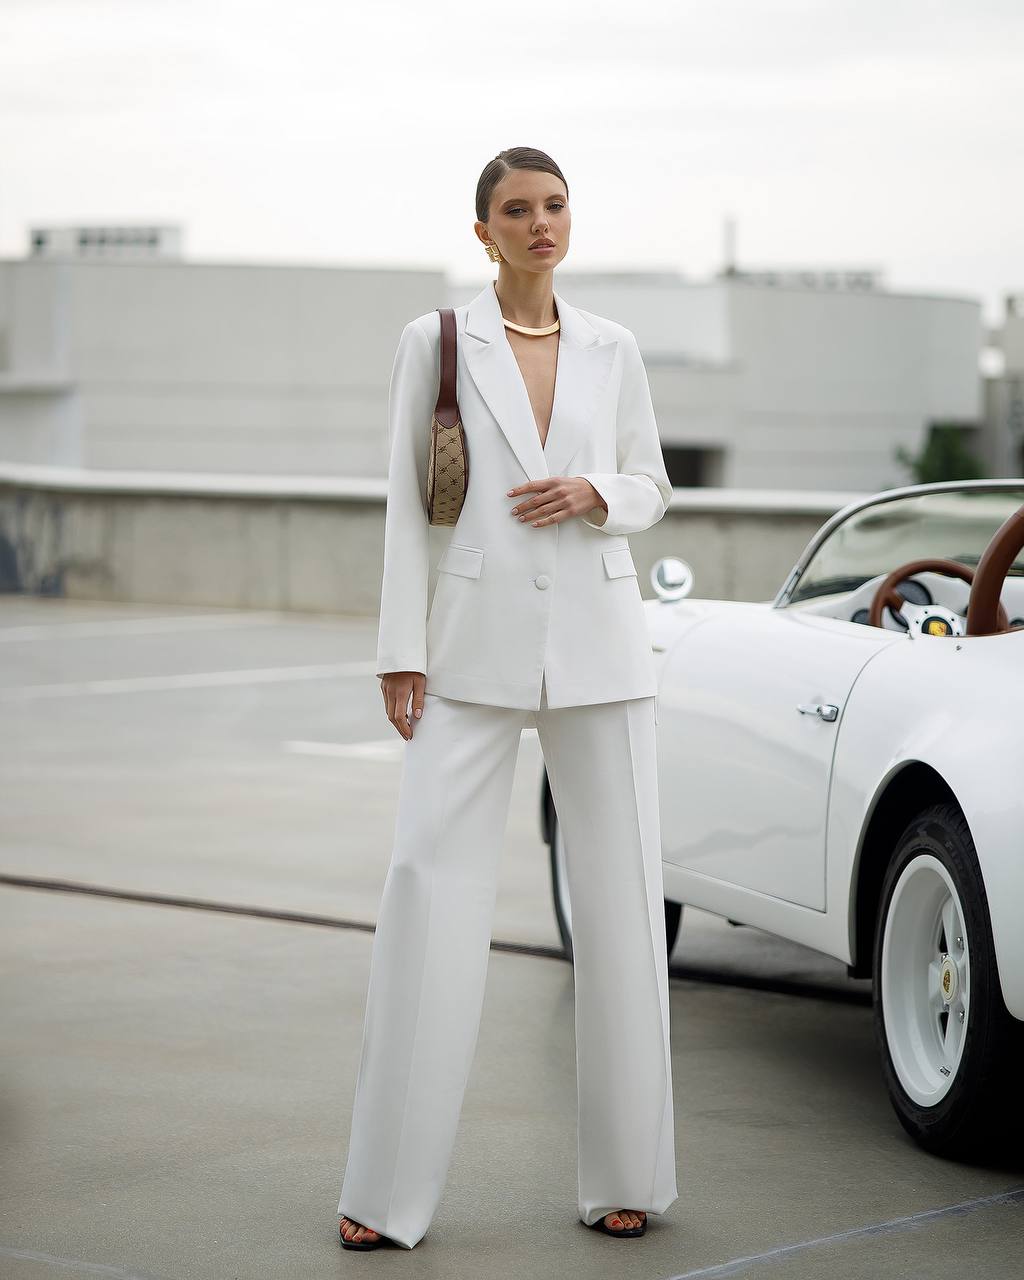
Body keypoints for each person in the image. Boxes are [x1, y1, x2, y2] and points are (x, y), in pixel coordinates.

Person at [337, 145, 678, 1250]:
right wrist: (401, 651)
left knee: (623, 907)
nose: (542, 224)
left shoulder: (613, 346)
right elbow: (406, 503)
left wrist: (596, 491)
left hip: (601, 646)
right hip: (468, 650)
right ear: (482, 230)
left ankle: (629, 1175)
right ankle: (383, 1195)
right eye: (518, 209)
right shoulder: (435, 341)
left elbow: (652, 483)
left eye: (556, 206)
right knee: (427, 893)